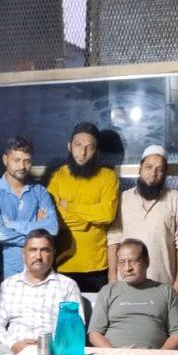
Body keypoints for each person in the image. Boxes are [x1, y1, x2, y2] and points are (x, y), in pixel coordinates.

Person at [0, 229, 82, 355]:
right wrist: (12, 344)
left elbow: (74, 328)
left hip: (52, 352)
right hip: (11, 350)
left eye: (44, 250)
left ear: (53, 254)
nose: (38, 256)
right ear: (23, 253)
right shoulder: (9, 284)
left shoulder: (67, 286)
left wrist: (46, 344)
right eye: (33, 250)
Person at [47, 122, 119, 293]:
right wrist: (87, 222)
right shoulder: (57, 177)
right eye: (78, 145)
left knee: (96, 318)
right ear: (69, 146)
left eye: (90, 147)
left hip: (97, 266)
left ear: (97, 151)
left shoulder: (108, 177)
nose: (83, 152)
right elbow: (52, 218)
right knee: (65, 317)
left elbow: (107, 214)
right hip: (63, 263)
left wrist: (69, 206)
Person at [106, 145, 178, 292]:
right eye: (148, 167)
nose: (153, 173)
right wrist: (112, 277)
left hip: (163, 285)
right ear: (140, 169)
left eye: (159, 169)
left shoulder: (175, 198)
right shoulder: (124, 198)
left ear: (165, 173)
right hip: (126, 283)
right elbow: (113, 240)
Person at [88, 239, 178, 350]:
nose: (127, 268)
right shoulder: (108, 291)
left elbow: (177, 334)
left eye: (132, 261)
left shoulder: (166, 291)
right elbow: (94, 333)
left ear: (147, 261)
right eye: (122, 262)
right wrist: (115, 353)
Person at [0, 135, 58, 280]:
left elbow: (52, 228)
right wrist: (37, 228)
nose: (22, 166)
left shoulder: (39, 191)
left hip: (39, 271)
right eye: (17, 160)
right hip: (5, 272)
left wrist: (13, 225)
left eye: (27, 161)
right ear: (5, 160)